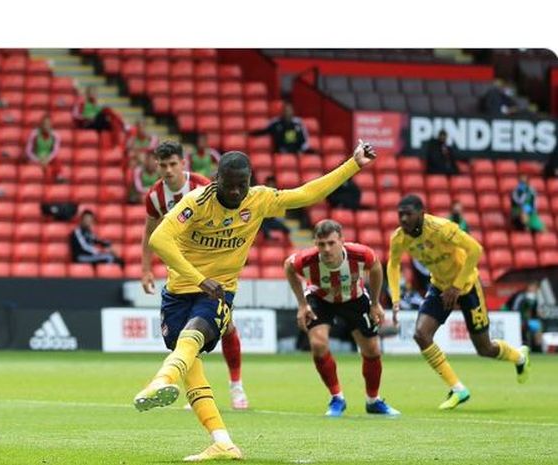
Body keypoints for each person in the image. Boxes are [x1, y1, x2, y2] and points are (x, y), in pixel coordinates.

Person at [133, 140, 376, 461]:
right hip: (180, 290)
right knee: (190, 361)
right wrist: (198, 278)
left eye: (242, 185)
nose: (236, 192)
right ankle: (222, 441)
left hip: (220, 290)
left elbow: (307, 194)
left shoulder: (259, 199)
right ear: (217, 180)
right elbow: (159, 238)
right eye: (230, 186)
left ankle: (162, 379)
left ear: (249, 181)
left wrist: (353, 164)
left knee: (192, 336)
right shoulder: (197, 201)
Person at [387, 195, 530, 410]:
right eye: (400, 214)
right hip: (439, 287)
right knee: (421, 335)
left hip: (468, 286)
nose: (404, 219)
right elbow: (393, 265)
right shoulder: (399, 238)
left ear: (422, 214)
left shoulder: (442, 228)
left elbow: (475, 249)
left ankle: (519, 356)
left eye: (408, 214)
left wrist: (457, 286)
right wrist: (396, 299)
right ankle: (458, 389)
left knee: (484, 348)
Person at [140, 141, 250, 410]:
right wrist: (145, 268)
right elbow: (151, 233)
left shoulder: (203, 188)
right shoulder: (155, 196)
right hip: (181, 272)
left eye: (172, 164)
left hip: (211, 271)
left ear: (183, 163)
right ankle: (197, 390)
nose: (168, 170)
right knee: (185, 336)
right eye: (163, 165)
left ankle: (236, 386)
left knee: (226, 327)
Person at [284, 219, 400, 417]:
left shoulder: (360, 254)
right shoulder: (307, 260)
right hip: (320, 299)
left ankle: (373, 400)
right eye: (321, 244)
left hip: (354, 298)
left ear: (342, 241)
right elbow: (289, 267)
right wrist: (302, 304)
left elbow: (376, 268)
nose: (326, 249)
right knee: (318, 345)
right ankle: (337, 398)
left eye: (331, 243)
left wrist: (375, 304)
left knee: (372, 350)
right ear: (315, 244)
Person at [503, 281, 545, 352]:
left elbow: (533, 313)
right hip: (512, 318)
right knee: (524, 328)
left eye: (536, 289)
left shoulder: (534, 299)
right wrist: (520, 321)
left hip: (526, 321)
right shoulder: (521, 296)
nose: (535, 290)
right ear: (529, 287)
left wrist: (538, 314)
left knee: (538, 326)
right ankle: (522, 346)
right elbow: (514, 309)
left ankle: (538, 349)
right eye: (534, 288)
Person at [25, 114, 65, 184]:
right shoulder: (34, 134)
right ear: (41, 124)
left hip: (48, 157)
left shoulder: (55, 135)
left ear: (51, 125)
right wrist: (37, 160)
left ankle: (59, 177)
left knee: (57, 160)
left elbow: (55, 151)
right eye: (44, 124)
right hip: (36, 156)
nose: (46, 126)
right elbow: (28, 151)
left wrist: (47, 159)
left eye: (48, 124)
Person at [259, 176, 292, 243]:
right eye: (269, 184)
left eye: (273, 184)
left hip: (271, 220)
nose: (271, 185)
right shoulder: (261, 195)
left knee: (287, 229)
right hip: (262, 220)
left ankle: (286, 245)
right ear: (266, 184)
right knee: (262, 227)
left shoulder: (277, 195)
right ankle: (268, 238)